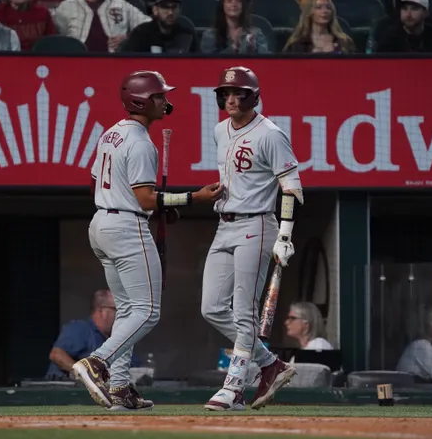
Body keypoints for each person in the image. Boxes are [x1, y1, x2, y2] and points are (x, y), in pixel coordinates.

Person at [73, 70, 223, 411]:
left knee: (128, 309)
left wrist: (158, 206)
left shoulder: (111, 133)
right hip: (126, 227)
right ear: (141, 100)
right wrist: (192, 198)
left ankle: (121, 387)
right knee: (148, 310)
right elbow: (143, 198)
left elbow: (101, 180)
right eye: (159, 96)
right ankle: (97, 362)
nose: (165, 101)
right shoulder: (141, 142)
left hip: (102, 222)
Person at [201, 66, 304, 411]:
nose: (231, 99)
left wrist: (285, 233)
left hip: (257, 225)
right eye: (226, 93)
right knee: (212, 307)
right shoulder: (219, 130)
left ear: (253, 96)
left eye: (238, 93)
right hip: (224, 223)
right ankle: (270, 365)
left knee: (244, 311)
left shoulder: (270, 134)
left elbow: (290, 184)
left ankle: (234, 388)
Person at [44, 289, 141, 381]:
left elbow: (134, 367)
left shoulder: (120, 338)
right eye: (118, 310)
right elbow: (56, 355)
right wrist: (86, 375)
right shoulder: (81, 329)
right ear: (101, 311)